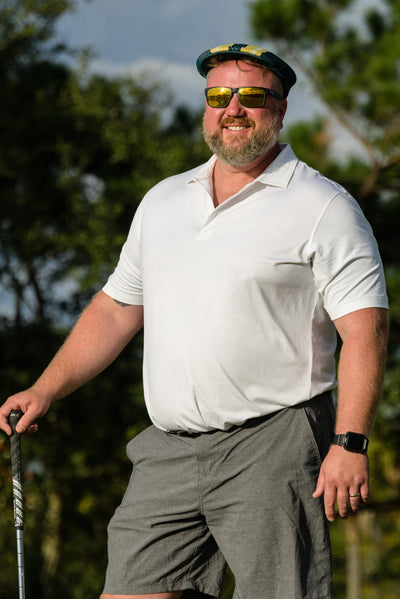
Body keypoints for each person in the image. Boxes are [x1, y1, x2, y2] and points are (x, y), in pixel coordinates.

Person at [0, 43, 389, 599]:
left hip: (273, 443)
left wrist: (350, 443)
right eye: (218, 95)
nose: (233, 108)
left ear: (279, 110)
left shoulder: (323, 206)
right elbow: (116, 308)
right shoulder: (162, 201)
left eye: (251, 96)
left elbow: (366, 330)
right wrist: (44, 389)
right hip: (167, 449)